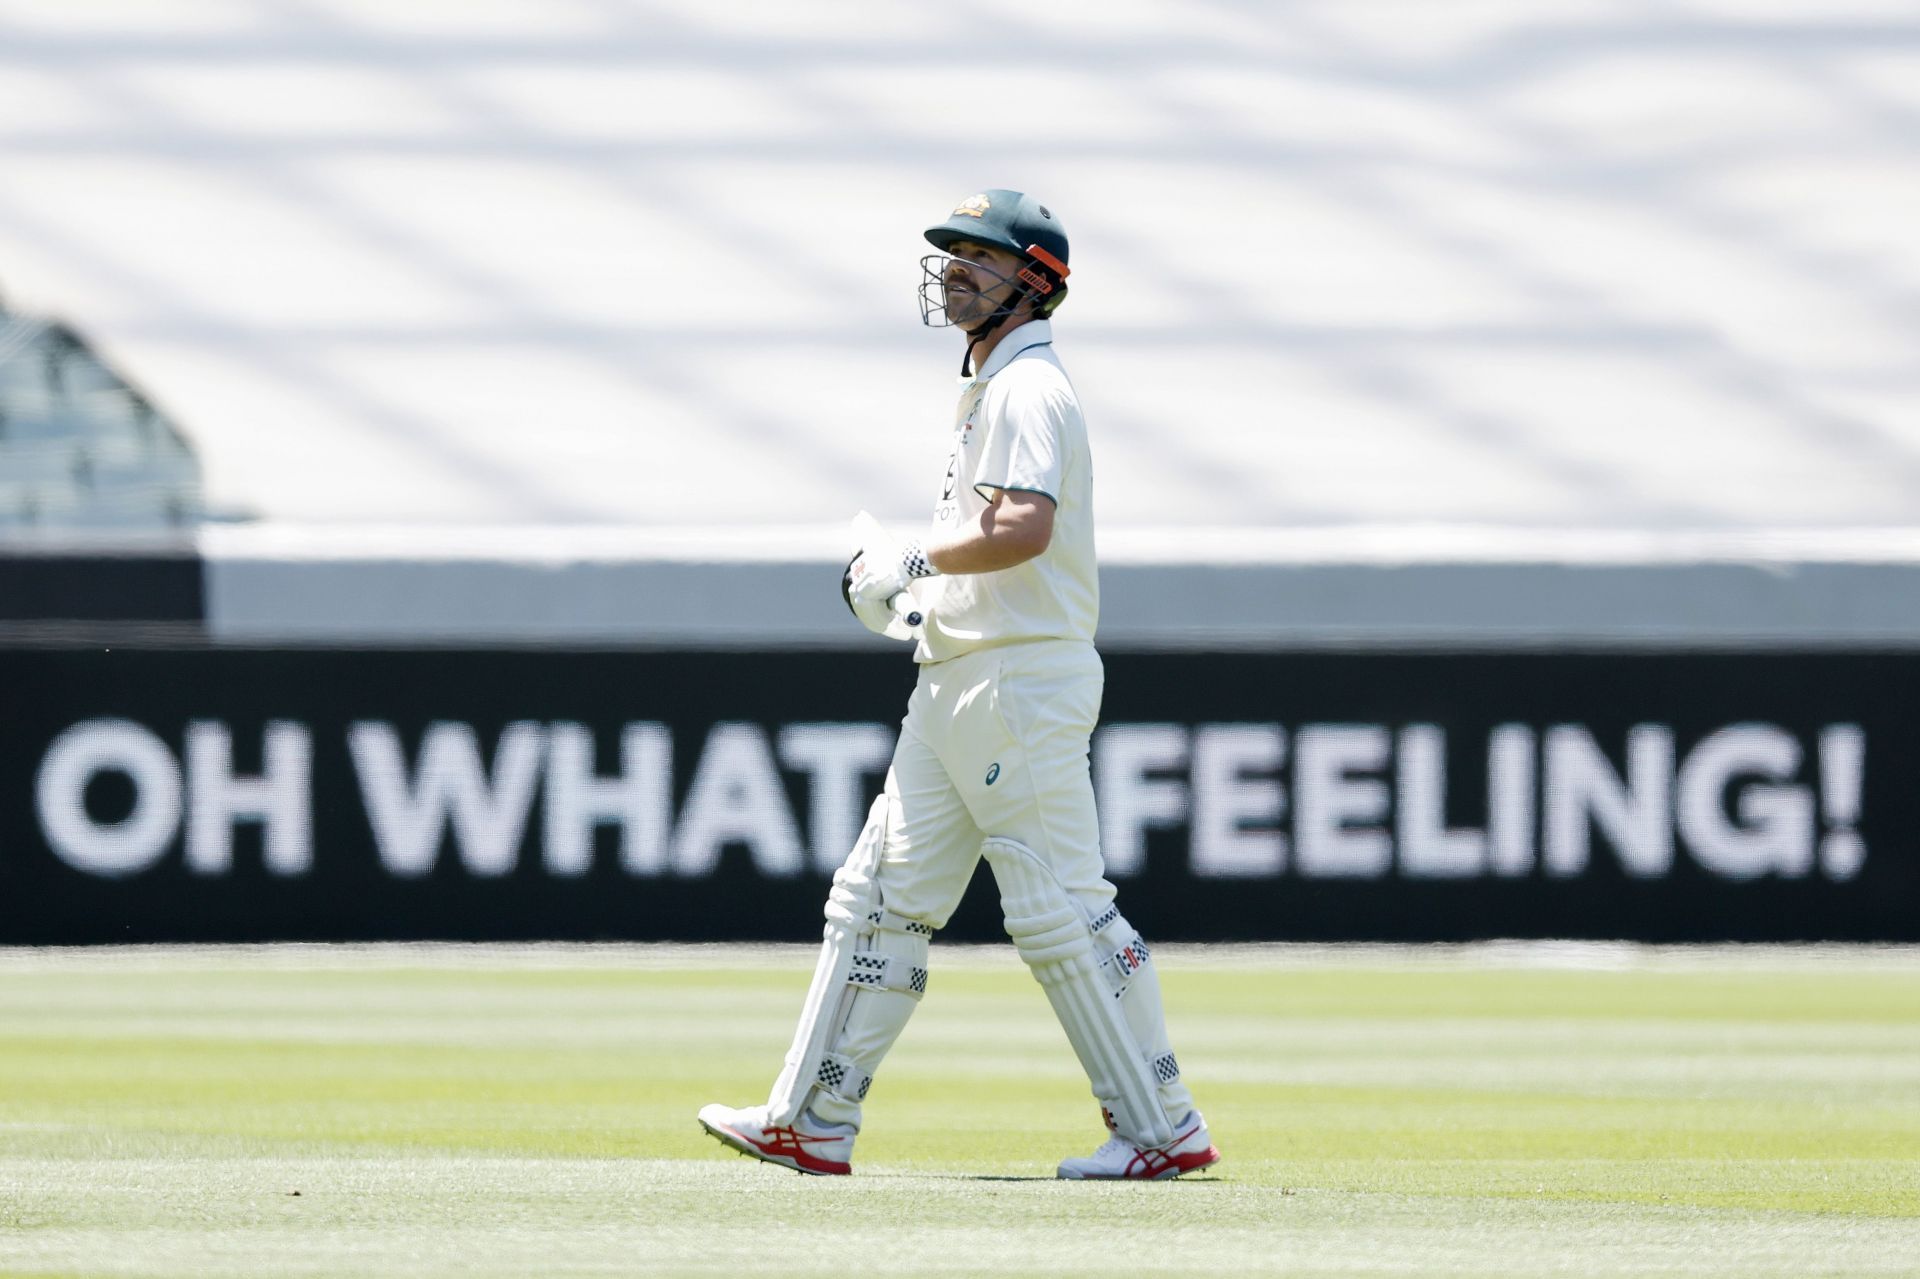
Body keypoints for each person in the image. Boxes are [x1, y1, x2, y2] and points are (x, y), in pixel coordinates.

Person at [697, 190, 1219, 1180]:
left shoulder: (1030, 388)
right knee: (879, 898)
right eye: (951, 255)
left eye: (981, 256)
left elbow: (1024, 527)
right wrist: (913, 588)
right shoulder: (993, 386)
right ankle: (808, 1120)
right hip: (960, 677)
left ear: (1036, 279)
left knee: (1063, 909)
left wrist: (913, 564)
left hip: (1016, 680)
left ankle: (1162, 1129)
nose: (956, 271)